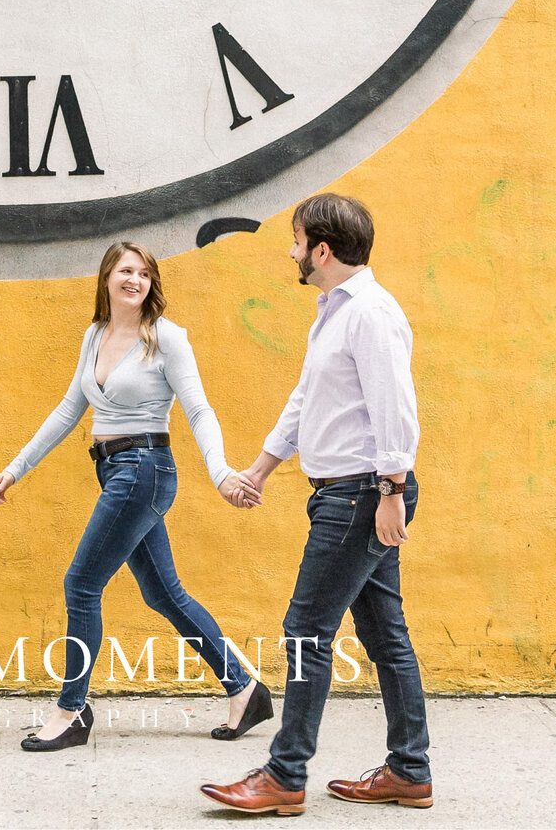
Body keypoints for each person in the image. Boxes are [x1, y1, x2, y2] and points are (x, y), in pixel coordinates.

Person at [0, 241, 274, 752]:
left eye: (144, 273)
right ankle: (245, 688)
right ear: (107, 277)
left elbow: (200, 411)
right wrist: (17, 467)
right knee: (163, 593)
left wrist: (221, 473)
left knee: (81, 584)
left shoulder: (165, 337)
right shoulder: (95, 335)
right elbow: (68, 410)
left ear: (151, 284)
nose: (135, 280)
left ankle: (71, 710)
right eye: (126, 270)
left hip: (143, 470)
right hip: (114, 471)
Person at [202, 193, 431, 814]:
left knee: (306, 630)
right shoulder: (332, 314)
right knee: (386, 634)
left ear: (322, 250)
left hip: (361, 493)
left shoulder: (372, 314)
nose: (293, 252)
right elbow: (306, 401)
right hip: (348, 491)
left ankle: (284, 774)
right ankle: (410, 771)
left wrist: (390, 491)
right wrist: (261, 469)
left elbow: (395, 409)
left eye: (297, 241)